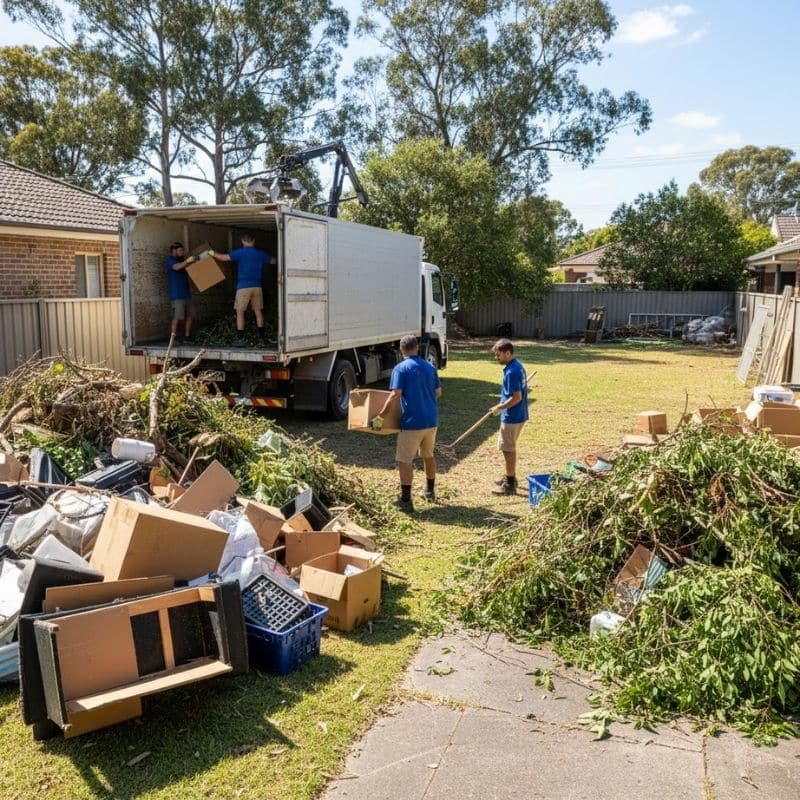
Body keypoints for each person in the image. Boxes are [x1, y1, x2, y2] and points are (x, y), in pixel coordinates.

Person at [372, 335, 442, 513]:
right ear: (417, 347)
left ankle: (405, 500)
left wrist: (380, 417)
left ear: (401, 350)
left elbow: (395, 395)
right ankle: (430, 490)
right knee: (428, 455)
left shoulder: (400, 368)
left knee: (404, 460)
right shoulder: (430, 367)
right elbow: (438, 392)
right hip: (431, 420)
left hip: (412, 422)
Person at [215, 233, 276, 347]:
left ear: (243, 241)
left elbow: (223, 258)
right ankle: (262, 339)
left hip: (243, 287)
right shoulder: (260, 254)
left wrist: (211, 253)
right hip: (257, 287)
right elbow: (274, 261)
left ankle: (240, 339)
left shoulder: (240, 252)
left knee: (240, 312)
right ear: (254, 241)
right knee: (258, 311)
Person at [490, 338, 528, 495]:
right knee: (508, 447)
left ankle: (510, 483)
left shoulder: (512, 371)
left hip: (512, 416)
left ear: (507, 353)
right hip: (518, 414)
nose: (496, 358)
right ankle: (509, 475)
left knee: (508, 449)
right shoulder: (517, 366)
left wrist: (500, 407)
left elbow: (516, 397)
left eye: (498, 355)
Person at [164, 242, 194, 343]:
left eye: (182, 250)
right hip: (177, 295)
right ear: (174, 251)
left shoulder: (183, 260)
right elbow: (176, 267)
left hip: (186, 293)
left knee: (190, 315)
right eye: (180, 251)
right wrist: (187, 261)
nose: (182, 252)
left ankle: (187, 337)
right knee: (177, 317)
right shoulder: (170, 261)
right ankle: (173, 339)